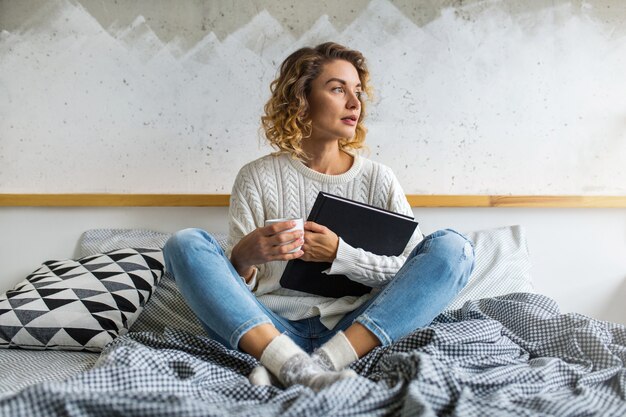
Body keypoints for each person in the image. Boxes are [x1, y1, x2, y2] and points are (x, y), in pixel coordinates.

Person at [163, 42, 475, 391]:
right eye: (338, 89)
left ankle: (312, 366)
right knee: (184, 242)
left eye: (357, 92)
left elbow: (409, 272)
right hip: (268, 328)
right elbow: (233, 291)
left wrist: (340, 254)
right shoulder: (255, 177)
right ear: (302, 98)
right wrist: (242, 259)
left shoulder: (378, 179)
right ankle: (286, 359)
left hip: (355, 332)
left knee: (455, 248)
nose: (355, 103)